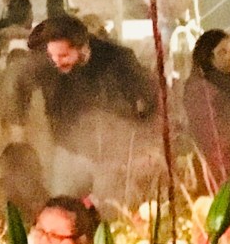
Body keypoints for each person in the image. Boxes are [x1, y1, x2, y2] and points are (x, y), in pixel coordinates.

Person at [34, 14, 158, 196]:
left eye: (63, 55)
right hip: (70, 154)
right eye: (52, 56)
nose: (57, 62)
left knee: (109, 206)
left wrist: (143, 141)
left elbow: (150, 98)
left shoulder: (118, 59)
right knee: (62, 203)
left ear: (83, 48)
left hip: (114, 156)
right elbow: (53, 110)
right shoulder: (53, 68)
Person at [182, 28, 230, 184]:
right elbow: (211, 132)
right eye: (223, 52)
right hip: (220, 172)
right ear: (208, 57)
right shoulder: (201, 88)